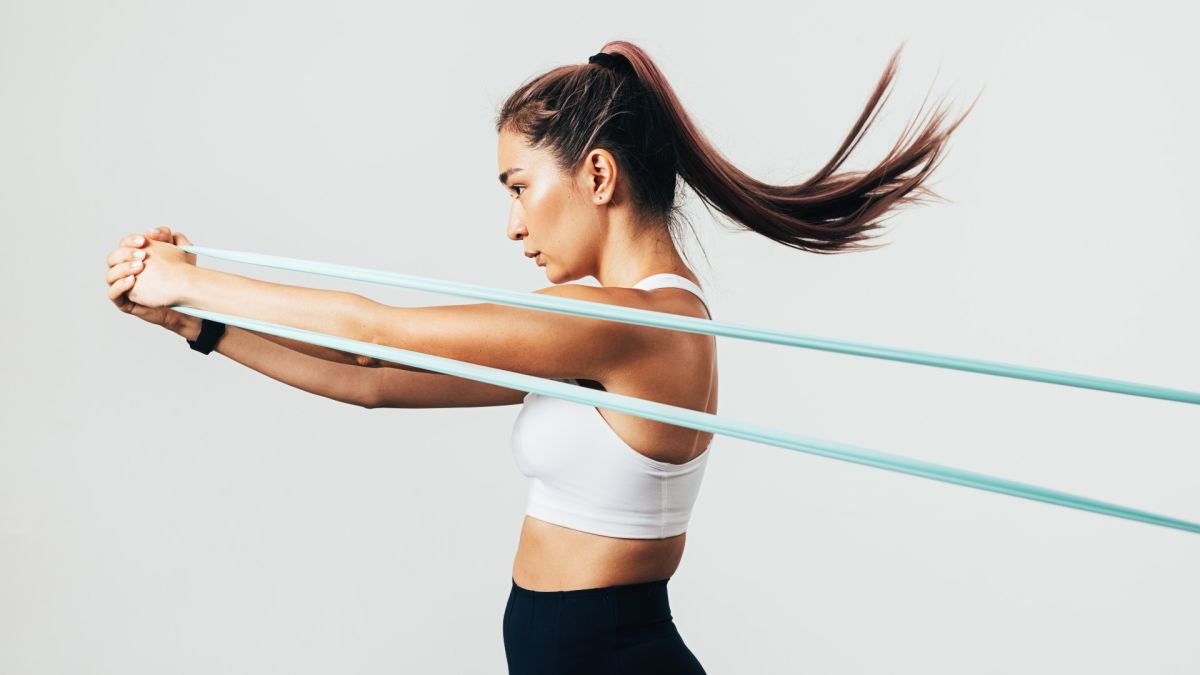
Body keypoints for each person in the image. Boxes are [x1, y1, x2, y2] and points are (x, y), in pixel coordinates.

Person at [105, 40, 971, 674]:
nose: (513, 225)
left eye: (520, 189)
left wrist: (194, 279)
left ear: (596, 177)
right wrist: (197, 323)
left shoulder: (630, 322)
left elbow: (375, 330)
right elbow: (366, 379)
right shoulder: (599, 328)